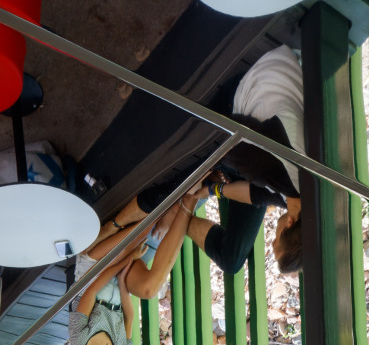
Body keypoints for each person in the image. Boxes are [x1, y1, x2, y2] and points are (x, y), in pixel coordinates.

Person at [126, 45, 305, 277]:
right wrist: (201, 177)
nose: (270, 244)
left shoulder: (303, 198)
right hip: (247, 92)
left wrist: (211, 190)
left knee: (232, 261)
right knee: (186, 164)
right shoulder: (270, 169)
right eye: (275, 243)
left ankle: (182, 212)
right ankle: (176, 207)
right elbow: (220, 139)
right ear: (290, 222)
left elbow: (255, 194)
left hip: (270, 99)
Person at [67, 187, 203, 345]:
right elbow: (129, 316)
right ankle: (199, 191)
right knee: (150, 288)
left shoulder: (78, 342)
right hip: (119, 284)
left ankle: (188, 192)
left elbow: (92, 287)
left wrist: (129, 259)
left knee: (147, 231)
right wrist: (122, 282)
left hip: (94, 269)